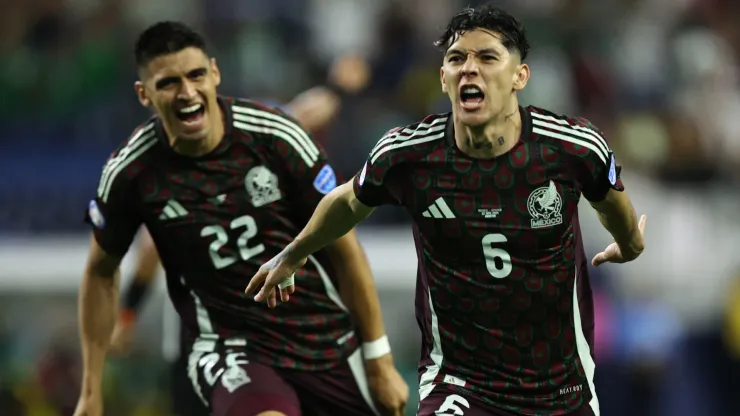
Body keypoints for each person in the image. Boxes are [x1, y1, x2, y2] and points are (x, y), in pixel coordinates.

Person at [246, 5, 647, 416]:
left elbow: (612, 204)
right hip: (460, 385)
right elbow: (347, 201)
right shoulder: (409, 155)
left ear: (519, 77)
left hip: (560, 391)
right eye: (457, 59)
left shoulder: (570, 148)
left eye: (487, 57)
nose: (469, 69)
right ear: (443, 77)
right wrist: (293, 253)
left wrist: (630, 244)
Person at [74, 21, 408, 416]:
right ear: (143, 94)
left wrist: (379, 356)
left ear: (215, 73)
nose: (186, 93)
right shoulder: (133, 172)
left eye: (196, 75)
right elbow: (102, 268)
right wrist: (91, 391)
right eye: (168, 83)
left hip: (320, 338)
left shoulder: (275, 134)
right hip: (227, 346)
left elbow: (345, 249)